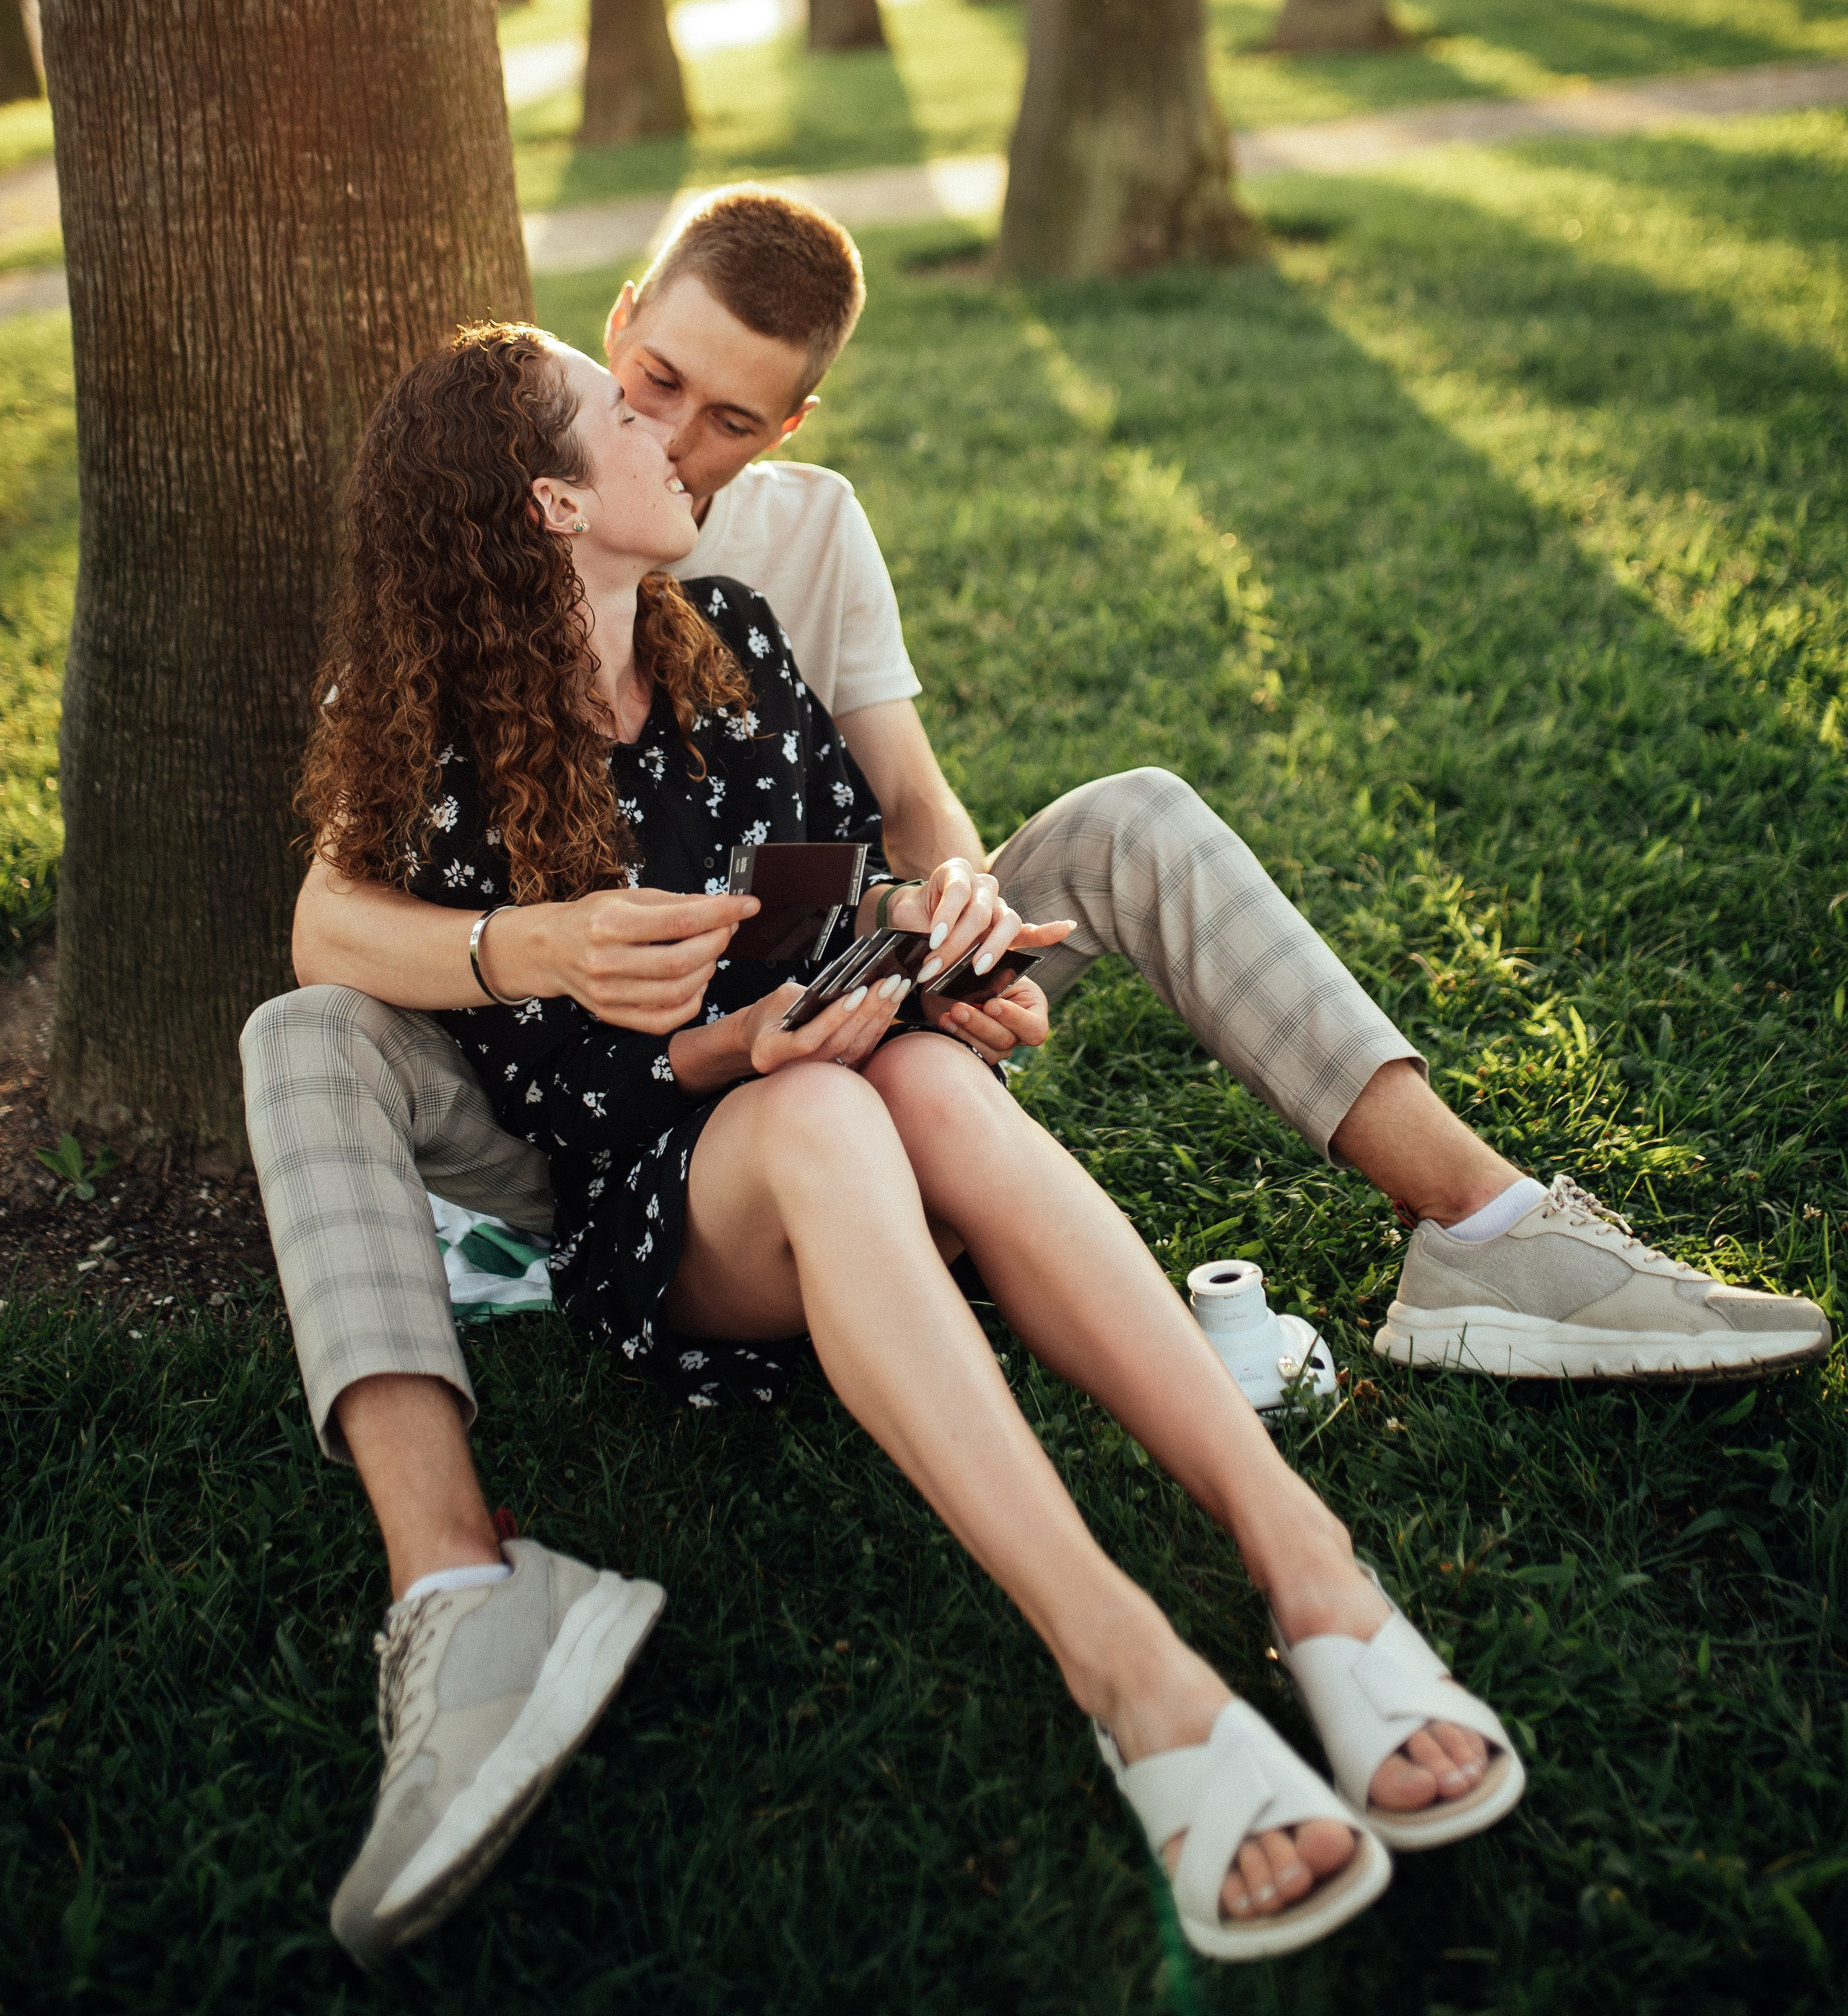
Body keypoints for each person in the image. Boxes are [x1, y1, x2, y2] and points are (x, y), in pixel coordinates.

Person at [274, 322, 1527, 1965]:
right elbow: (560, 1098)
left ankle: (1308, 1567)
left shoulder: (722, 632)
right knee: (814, 1106)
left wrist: (933, 937)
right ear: (551, 506)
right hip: (677, 1209)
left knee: (918, 1086)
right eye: (619, 412)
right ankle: (1125, 1667)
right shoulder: (446, 762)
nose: (663, 435)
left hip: (872, 1111)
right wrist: (739, 1044)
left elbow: (838, 880)